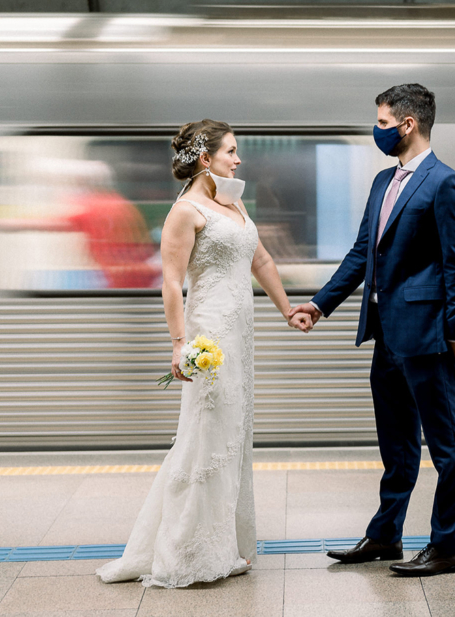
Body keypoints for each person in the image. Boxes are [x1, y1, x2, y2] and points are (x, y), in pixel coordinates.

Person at [96, 119, 311, 588]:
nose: (238, 159)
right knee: (205, 436)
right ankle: (185, 552)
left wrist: (286, 310)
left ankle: (224, 544)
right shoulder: (186, 211)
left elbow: (261, 260)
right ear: (205, 158)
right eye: (232, 151)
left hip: (242, 337)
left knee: (232, 435)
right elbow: (171, 282)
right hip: (209, 336)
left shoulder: (231, 203)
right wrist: (178, 344)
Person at [290, 84, 455, 577]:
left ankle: (447, 546)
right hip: (386, 334)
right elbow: (362, 253)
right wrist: (319, 304)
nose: (378, 130)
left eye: (381, 122)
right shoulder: (382, 181)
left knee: (447, 447)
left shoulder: (446, 183)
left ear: (408, 124)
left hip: (428, 335)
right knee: (396, 446)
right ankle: (385, 536)